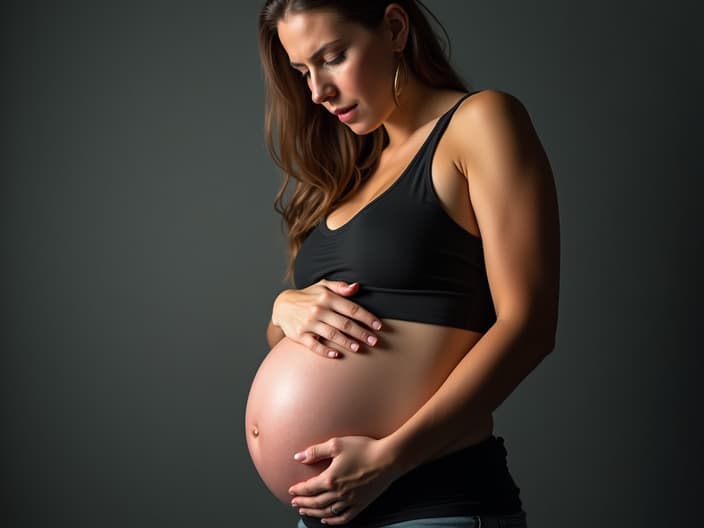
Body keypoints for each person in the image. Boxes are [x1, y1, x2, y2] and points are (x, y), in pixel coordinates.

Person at [254, 1, 560, 526]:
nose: (317, 91)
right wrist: (284, 308)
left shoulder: (478, 123)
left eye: (332, 57)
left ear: (395, 28)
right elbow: (308, 337)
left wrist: (390, 459)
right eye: (302, 71)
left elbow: (528, 324)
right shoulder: (351, 171)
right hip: (326, 512)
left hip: (433, 501)